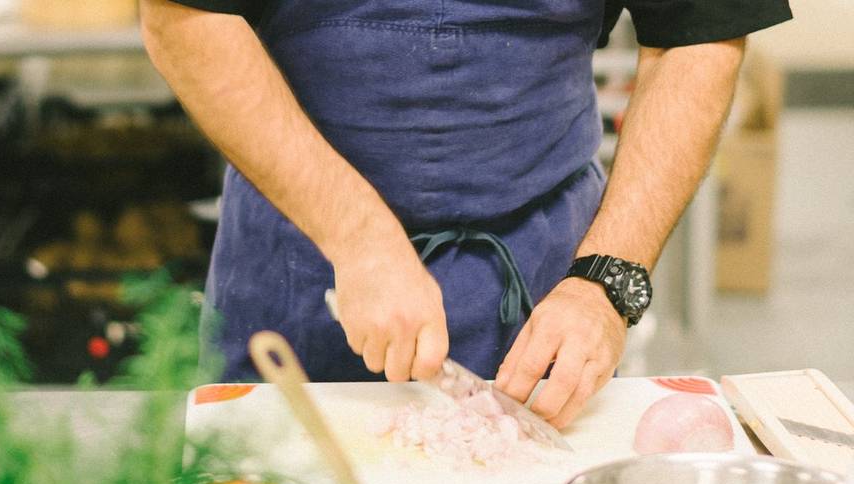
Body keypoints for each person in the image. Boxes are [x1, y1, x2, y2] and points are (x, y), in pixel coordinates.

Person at [141, 0, 791, 428]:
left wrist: (607, 281)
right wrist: (357, 235)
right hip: (303, 273)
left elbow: (697, 35)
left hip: (548, 281)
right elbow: (182, 16)